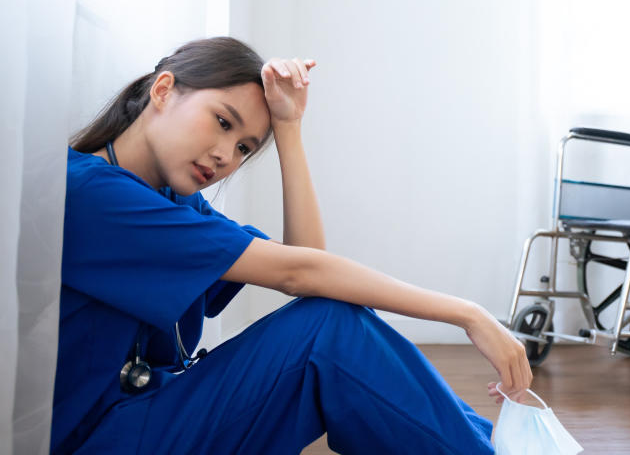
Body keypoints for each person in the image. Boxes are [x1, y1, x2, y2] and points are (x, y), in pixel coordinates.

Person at [54, 36, 532, 454]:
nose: (226, 156)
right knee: (328, 333)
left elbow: (310, 271)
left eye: (244, 148)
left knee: (330, 323)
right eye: (223, 122)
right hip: (104, 439)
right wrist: (468, 313)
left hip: (147, 418)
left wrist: (288, 128)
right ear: (163, 90)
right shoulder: (94, 193)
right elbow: (301, 274)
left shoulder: (171, 200)